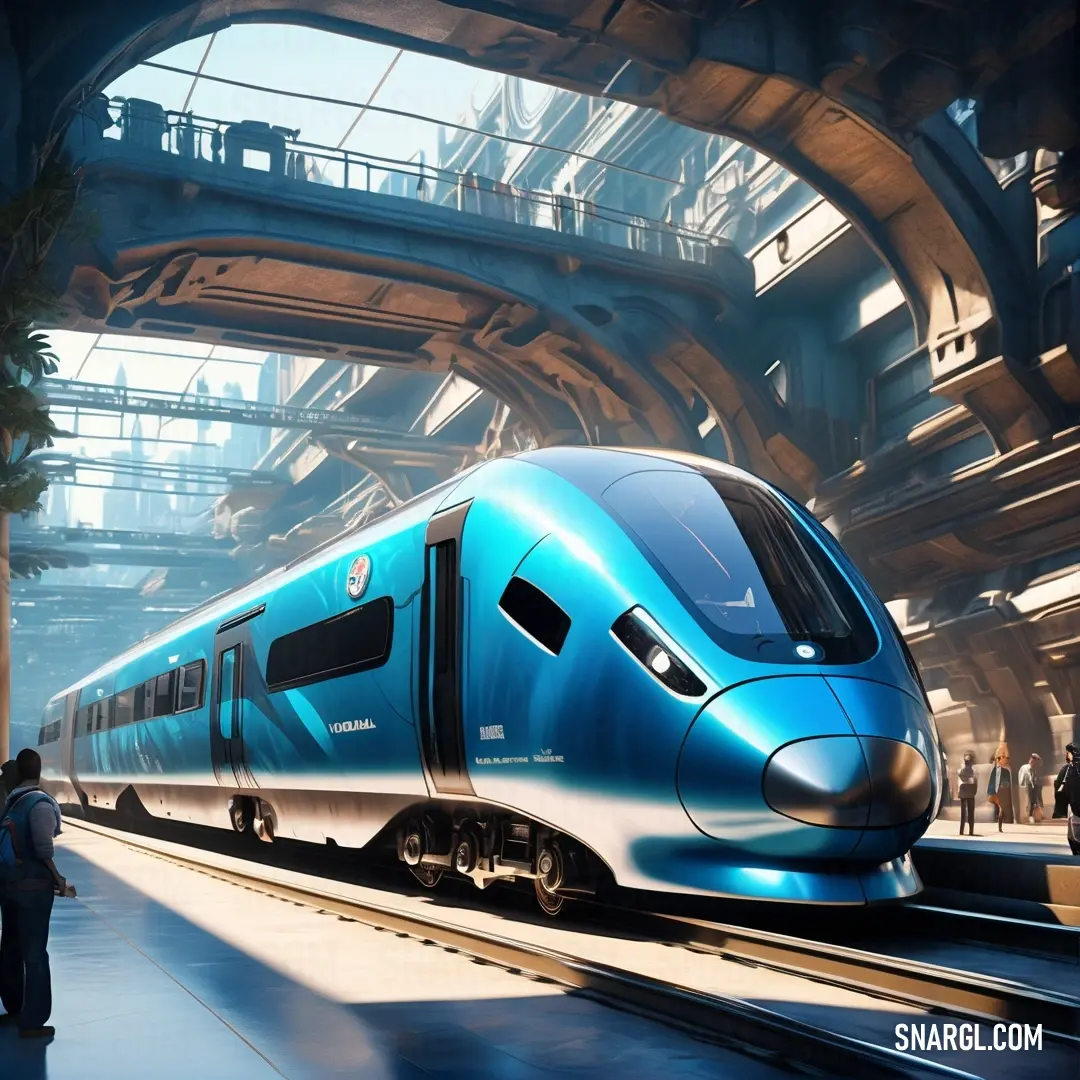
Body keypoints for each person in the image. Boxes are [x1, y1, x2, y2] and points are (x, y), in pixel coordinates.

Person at [0, 748, 76, 1038]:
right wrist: (59, 880)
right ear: (39, 771)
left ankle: (13, 1008)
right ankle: (33, 1020)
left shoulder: (10, 803)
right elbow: (44, 850)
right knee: (35, 954)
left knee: (10, 948)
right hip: (32, 890)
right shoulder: (40, 804)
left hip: (7, 886)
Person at [1054, 743, 1080, 856]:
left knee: (1074, 836)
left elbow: (1059, 786)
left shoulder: (1068, 769)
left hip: (1075, 808)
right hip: (1075, 807)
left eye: (1068, 752)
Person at [986, 743, 1014, 832]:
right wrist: (991, 791)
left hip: (1003, 792)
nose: (1006, 760)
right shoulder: (995, 770)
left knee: (1001, 808)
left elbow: (1008, 784)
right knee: (999, 808)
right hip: (996, 792)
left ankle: (1000, 824)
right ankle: (999, 824)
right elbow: (992, 781)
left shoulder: (1006, 771)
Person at [1017, 753, 1043, 823]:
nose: (1035, 762)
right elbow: (1024, 779)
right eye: (1034, 760)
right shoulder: (1026, 768)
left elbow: (1033, 779)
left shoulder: (1033, 768)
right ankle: (1030, 816)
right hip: (1025, 786)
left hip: (1030, 786)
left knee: (1033, 801)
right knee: (1030, 801)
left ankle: (1033, 815)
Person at [956, 752, 977, 836]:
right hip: (966, 791)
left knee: (968, 813)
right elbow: (963, 777)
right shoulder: (964, 770)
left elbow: (975, 781)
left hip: (968, 791)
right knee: (966, 813)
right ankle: (964, 831)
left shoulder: (970, 770)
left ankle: (968, 831)